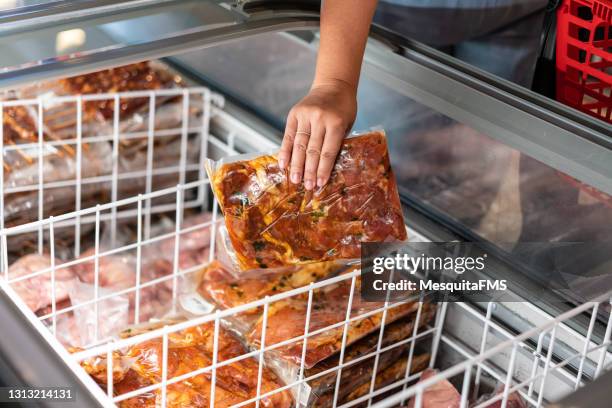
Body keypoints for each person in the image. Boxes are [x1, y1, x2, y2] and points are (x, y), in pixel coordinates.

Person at [277, 0, 548, 190]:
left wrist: (334, 83)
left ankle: (447, 259)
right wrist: (334, 83)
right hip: (394, 15)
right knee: (389, 169)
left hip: (511, 14)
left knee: (472, 168)